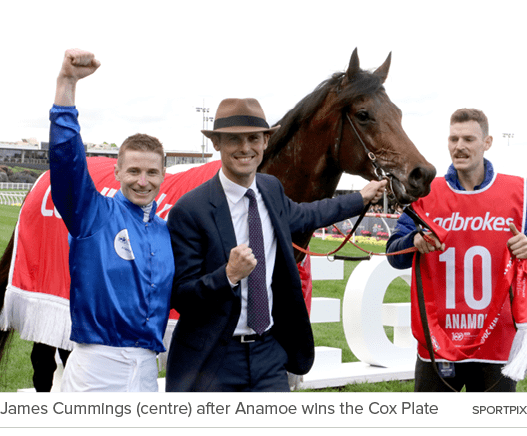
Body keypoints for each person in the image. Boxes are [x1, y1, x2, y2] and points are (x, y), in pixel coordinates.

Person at [165, 97, 387, 392]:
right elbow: (182, 296)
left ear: (266, 141)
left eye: (253, 138)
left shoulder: (271, 189)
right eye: (233, 140)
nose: (245, 148)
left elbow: (310, 214)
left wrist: (360, 197)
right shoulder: (190, 210)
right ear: (217, 143)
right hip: (214, 359)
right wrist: (228, 275)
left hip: (268, 354)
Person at [49, 49, 174, 392]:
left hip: (148, 370)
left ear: (163, 175)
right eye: (133, 170)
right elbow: (66, 160)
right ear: (117, 171)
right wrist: (67, 84)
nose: (142, 181)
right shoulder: (93, 214)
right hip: (96, 368)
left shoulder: (166, 233)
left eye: (152, 172)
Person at [387, 108, 527, 393]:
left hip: (497, 339)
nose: (459, 146)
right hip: (438, 338)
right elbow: (394, 255)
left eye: (468, 139)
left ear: (487, 143)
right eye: (453, 139)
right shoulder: (426, 194)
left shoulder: (518, 193)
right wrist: (413, 241)